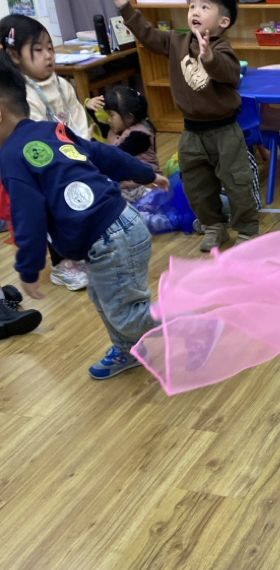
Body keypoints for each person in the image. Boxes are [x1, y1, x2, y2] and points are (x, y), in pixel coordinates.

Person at [0, 53, 170, 378]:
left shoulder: (10, 157)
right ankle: (128, 349)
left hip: (108, 239)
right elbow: (102, 152)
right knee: (104, 297)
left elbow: (28, 214)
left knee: (125, 313)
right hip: (122, 223)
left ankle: (183, 319)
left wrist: (29, 268)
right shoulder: (51, 129)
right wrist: (146, 173)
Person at [90, 0, 260, 251]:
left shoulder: (223, 48)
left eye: (204, 7)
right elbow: (146, 33)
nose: (195, 11)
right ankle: (214, 226)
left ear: (223, 21)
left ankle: (247, 228)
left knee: (237, 181)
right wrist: (121, 0)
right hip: (192, 131)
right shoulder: (176, 42)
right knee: (195, 183)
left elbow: (230, 74)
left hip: (225, 131)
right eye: (192, 5)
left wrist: (209, 57)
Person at [0, 12, 95, 290]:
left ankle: (81, 251)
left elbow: (76, 114)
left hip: (70, 154)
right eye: (38, 50)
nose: (48, 56)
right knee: (49, 211)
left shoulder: (61, 83)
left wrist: (79, 143)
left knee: (78, 202)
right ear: (14, 56)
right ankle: (61, 264)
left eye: (50, 48)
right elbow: (33, 132)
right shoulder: (22, 94)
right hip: (41, 164)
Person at [88, 85, 160, 203]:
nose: (109, 120)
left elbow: (115, 156)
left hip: (146, 185)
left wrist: (91, 141)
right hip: (129, 186)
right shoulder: (116, 129)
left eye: (111, 115)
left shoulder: (139, 136)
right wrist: (90, 108)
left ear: (129, 117)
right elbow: (100, 127)